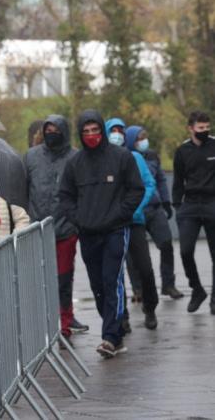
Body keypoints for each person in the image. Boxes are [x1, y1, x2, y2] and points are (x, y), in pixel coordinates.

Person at [58, 109, 144, 358]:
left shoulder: (121, 157)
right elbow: (65, 196)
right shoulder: (75, 163)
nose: (91, 135)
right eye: (86, 131)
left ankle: (110, 337)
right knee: (98, 285)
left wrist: (121, 214)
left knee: (111, 280)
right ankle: (114, 326)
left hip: (116, 230)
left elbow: (135, 190)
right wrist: (78, 219)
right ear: (80, 133)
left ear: (102, 131)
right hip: (88, 233)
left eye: (95, 130)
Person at [24, 114, 89, 341]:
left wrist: (75, 221)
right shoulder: (31, 157)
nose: (52, 133)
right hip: (38, 228)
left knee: (63, 278)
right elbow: (25, 188)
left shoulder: (75, 157)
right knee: (40, 278)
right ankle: (43, 321)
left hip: (65, 229)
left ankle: (65, 321)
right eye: (48, 129)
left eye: (56, 130)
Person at [105, 118, 159, 330]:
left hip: (134, 221)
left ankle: (150, 307)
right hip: (112, 224)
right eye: (113, 131)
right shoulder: (103, 160)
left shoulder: (135, 157)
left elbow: (149, 184)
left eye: (120, 131)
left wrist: (134, 209)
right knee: (116, 272)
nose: (117, 134)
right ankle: (122, 315)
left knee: (144, 267)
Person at [125, 125, 183, 299]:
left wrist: (166, 202)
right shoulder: (124, 158)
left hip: (155, 208)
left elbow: (160, 179)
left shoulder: (152, 155)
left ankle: (168, 284)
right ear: (131, 141)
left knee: (166, 244)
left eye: (144, 138)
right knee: (135, 253)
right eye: (139, 139)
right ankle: (138, 289)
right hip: (135, 211)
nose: (143, 142)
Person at [173, 110, 215, 313]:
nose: (205, 131)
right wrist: (177, 206)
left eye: (207, 128)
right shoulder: (182, 151)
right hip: (190, 205)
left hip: (212, 203)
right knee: (185, 251)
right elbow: (178, 181)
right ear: (190, 129)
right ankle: (197, 289)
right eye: (201, 128)